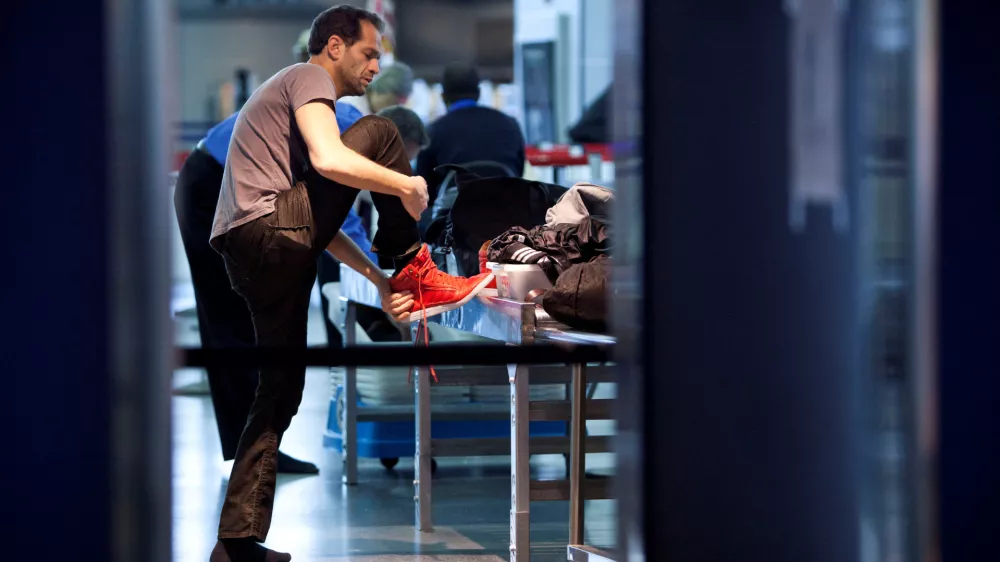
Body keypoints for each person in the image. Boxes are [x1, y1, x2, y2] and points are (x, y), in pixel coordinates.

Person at [207, 6, 491, 561]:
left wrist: (380, 282)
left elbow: (316, 221)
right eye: (368, 54)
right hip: (267, 236)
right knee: (382, 130)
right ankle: (414, 260)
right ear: (334, 46)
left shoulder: (293, 117)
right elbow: (331, 158)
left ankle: (236, 544)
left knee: (280, 392)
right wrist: (406, 185)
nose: (375, 67)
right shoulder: (307, 77)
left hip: (259, 250)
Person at [173, 36, 378, 477]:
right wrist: (380, 274)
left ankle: (258, 450)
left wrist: (373, 267)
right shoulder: (342, 126)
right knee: (235, 319)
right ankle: (254, 454)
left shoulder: (345, 121)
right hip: (210, 182)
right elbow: (337, 218)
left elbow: (332, 216)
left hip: (218, 175)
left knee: (254, 318)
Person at [415, 62, 526, 211]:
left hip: (453, 223)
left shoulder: (433, 132)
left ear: (443, 96)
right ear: (479, 93)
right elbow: (517, 174)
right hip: (506, 215)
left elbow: (424, 190)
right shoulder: (510, 125)